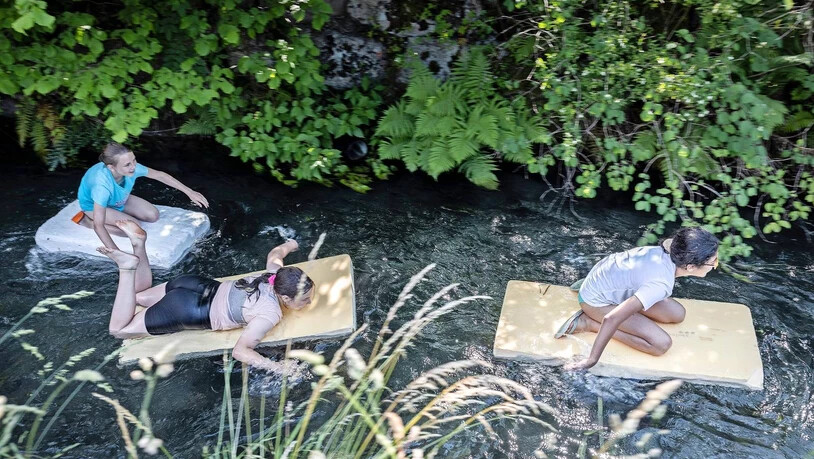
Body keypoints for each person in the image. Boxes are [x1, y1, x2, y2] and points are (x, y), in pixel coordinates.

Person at [98, 220, 314, 370]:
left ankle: (138, 244)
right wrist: (279, 368)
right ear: (285, 298)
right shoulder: (270, 314)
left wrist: (291, 244)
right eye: (305, 299)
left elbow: (275, 253)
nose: (309, 302)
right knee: (119, 330)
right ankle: (126, 268)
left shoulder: (274, 274)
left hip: (195, 284)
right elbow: (240, 351)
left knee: (136, 295)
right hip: (188, 310)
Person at [556, 227, 719, 371]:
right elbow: (612, 318)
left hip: (605, 277)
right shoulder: (660, 284)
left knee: (678, 314)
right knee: (661, 344)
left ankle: (601, 288)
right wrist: (591, 359)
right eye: (713, 263)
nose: (715, 266)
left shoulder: (671, 248)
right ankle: (588, 323)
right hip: (594, 302)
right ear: (690, 267)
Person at [76, 142, 209, 252]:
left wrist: (190, 192)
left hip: (116, 200)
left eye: (134, 161)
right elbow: (100, 226)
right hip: (93, 206)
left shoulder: (131, 168)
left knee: (153, 215)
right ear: (111, 167)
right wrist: (117, 254)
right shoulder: (101, 186)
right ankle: (87, 222)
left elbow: (160, 175)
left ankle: (115, 212)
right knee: (133, 229)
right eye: (127, 164)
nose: (134, 167)